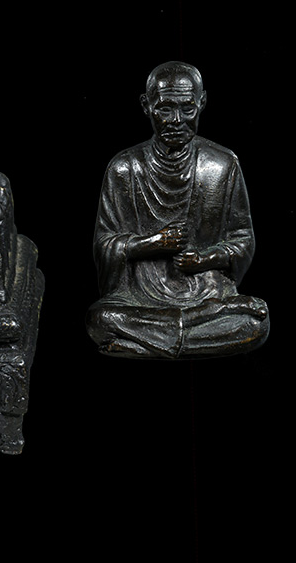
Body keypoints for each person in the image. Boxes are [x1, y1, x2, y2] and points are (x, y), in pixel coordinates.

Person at [86, 61, 269, 358]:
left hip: (206, 288)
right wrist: (151, 243)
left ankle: (148, 342)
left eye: (187, 108)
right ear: (146, 106)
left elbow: (242, 240)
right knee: (100, 320)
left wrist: (205, 258)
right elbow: (105, 244)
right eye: (165, 108)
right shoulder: (124, 168)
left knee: (255, 325)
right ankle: (199, 321)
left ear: (202, 103)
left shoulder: (222, 165)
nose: (175, 120)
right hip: (143, 290)